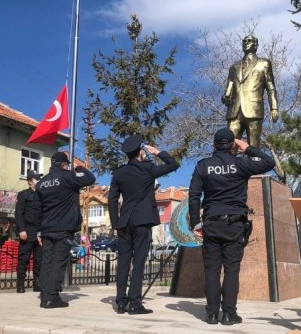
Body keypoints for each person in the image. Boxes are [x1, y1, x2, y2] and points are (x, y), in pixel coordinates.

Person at [189, 128, 275, 325]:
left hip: (211, 222)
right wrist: (249, 149)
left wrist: (195, 223)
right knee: (231, 270)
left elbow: (194, 196)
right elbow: (269, 163)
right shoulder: (241, 163)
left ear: (214, 145)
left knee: (211, 269)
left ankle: (211, 314)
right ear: (233, 145)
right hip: (234, 224)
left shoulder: (203, 166)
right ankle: (229, 314)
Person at [108, 134, 179, 315]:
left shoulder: (119, 172)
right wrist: (158, 152)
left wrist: (116, 223)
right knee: (138, 262)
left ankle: (120, 302)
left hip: (124, 222)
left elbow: (112, 199)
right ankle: (134, 303)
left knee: (123, 262)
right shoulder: (148, 168)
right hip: (142, 221)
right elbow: (174, 165)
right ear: (141, 152)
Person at [35, 151, 95, 308]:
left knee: (47, 261)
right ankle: (52, 297)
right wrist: (80, 168)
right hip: (64, 227)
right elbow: (90, 179)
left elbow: (38, 208)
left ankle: (44, 295)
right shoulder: (67, 176)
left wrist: (39, 230)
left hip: (47, 228)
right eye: (67, 164)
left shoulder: (41, 183)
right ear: (64, 164)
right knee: (58, 261)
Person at [222, 34, 279, 147]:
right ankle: (231, 165)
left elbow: (271, 87)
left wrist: (274, 107)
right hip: (234, 111)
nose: (246, 43)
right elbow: (229, 89)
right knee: (230, 146)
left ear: (256, 45)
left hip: (254, 109)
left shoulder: (264, 63)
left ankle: (254, 164)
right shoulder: (234, 67)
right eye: (244, 41)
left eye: (249, 41)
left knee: (253, 147)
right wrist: (225, 97)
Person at [15, 169, 42, 293]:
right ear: (30, 181)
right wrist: (21, 230)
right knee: (23, 259)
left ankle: (37, 284)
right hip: (27, 230)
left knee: (39, 259)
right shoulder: (23, 194)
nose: (39, 180)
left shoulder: (42, 195)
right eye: (37, 178)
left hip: (39, 232)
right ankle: (20, 284)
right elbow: (19, 214)